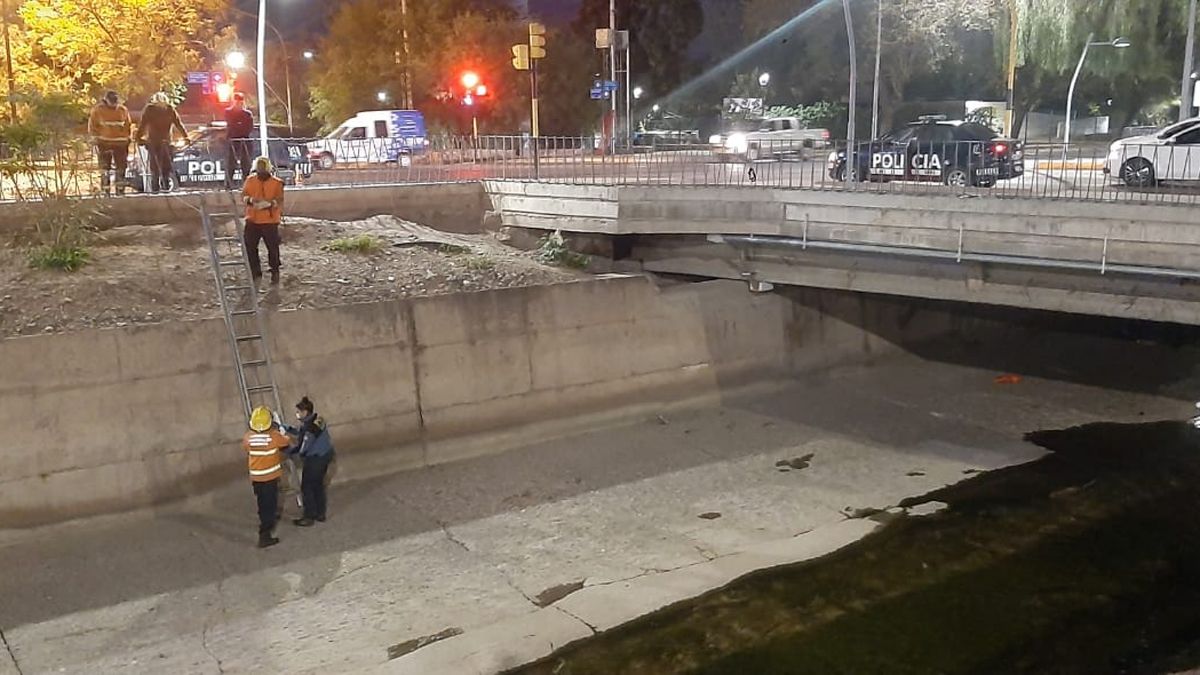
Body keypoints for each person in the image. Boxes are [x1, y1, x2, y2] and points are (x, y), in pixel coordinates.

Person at [243, 406, 291, 548]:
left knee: (262, 501)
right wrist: (280, 430)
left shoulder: (248, 437)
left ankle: (265, 517)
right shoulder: (274, 437)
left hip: (256, 478)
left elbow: (246, 448)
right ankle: (265, 534)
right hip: (270, 477)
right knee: (270, 505)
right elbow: (286, 441)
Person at [284, 396, 335, 526]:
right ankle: (320, 513)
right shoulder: (318, 419)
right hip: (326, 455)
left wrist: (288, 450)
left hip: (316, 460)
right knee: (318, 485)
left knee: (307, 487)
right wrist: (287, 428)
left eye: (298, 412)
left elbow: (303, 447)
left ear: (305, 412)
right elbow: (301, 432)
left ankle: (309, 517)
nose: (297, 414)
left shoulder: (310, 429)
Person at [242, 156, 285, 286]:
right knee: (249, 247)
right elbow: (243, 195)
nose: (261, 170)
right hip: (252, 219)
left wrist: (268, 204)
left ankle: (275, 271)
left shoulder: (277, 183)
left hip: (269, 221)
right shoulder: (250, 180)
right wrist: (250, 201)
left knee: (272, 248)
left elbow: (280, 200)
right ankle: (255, 272)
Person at [136, 92, 187, 193]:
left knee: (161, 167)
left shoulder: (163, 109)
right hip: (159, 142)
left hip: (159, 142)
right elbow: (178, 124)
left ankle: (161, 188)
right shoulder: (164, 109)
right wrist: (186, 137)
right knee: (160, 167)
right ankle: (160, 188)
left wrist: (139, 138)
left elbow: (143, 124)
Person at [88, 90, 132, 196]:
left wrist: (127, 138)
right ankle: (105, 191)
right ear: (106, 100)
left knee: (121, 168)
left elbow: (128, 125)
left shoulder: (122, 110)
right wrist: (95, 139)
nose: (114, 104)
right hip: (104, 143)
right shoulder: (98, 111)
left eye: (115, 101)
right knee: (104, 168)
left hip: (120, 144)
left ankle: (120, 191)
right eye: (112, 101)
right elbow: (92, 126)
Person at [224, 92, 254, 189]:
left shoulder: (247, 114)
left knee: (245, 163)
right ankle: (228, 184)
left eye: (241, 102)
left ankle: (246, 184)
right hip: (233, 140)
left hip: (244, 139)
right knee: (231, 163)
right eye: (237, 102)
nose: (239, 104)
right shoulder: (228, 112)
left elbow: (248, 127)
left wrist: (239, 125)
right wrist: (239, 125)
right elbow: (231, 125)